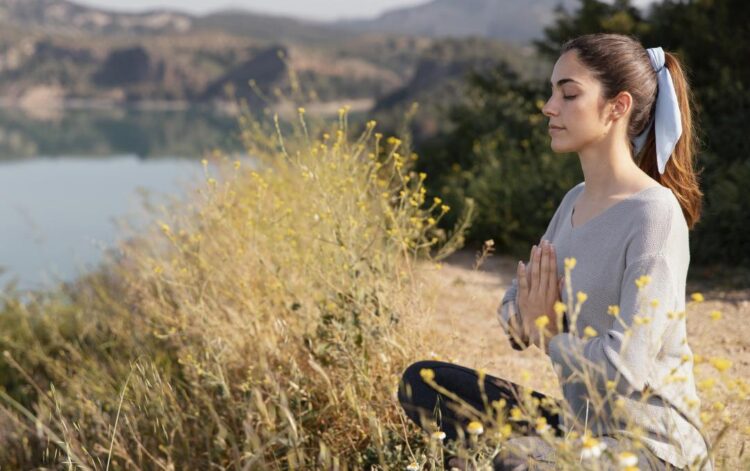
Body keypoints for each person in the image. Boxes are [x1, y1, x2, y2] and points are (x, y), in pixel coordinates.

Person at [397, 33, 713, 470]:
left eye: (568, 94)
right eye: (552, 93)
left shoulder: (653, 215)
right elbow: (515, 303)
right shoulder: (575, 201)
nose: (550, 106)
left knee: (516, 461)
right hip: (582, 428)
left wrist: (549, 333)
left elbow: (626, 370)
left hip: (650, 448)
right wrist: (534, 320)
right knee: (424, 384)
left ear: (617, 107)